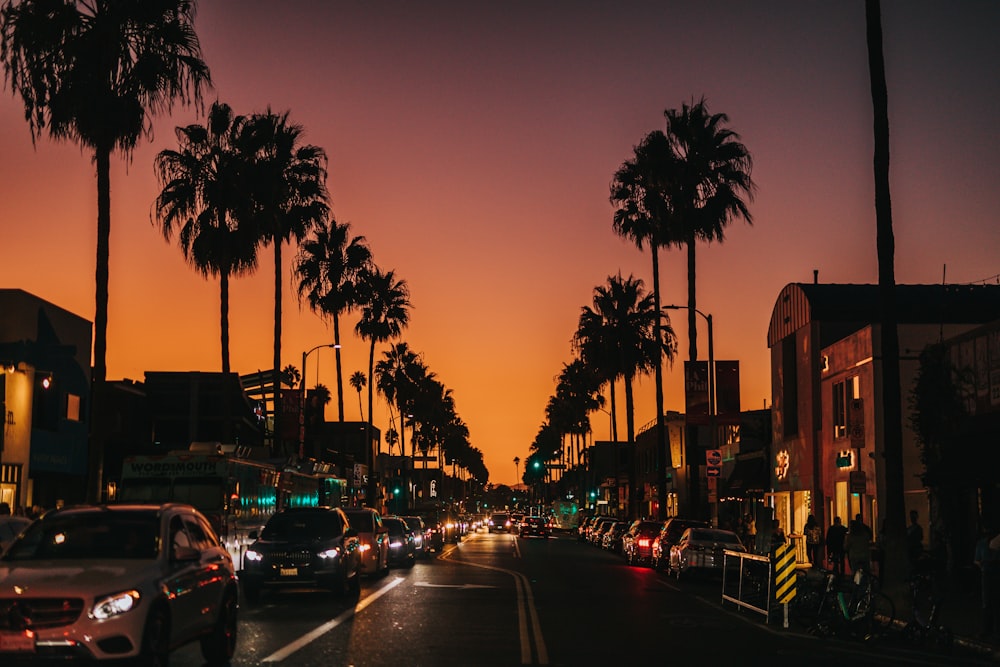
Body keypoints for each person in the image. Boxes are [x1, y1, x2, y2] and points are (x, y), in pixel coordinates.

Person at [974, 524, 999, 639]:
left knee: (988, 601)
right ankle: (992, 629)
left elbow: (977, 560)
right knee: (992, 601)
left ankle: (988, 629)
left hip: (988, 572)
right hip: (990, 572)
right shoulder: (984, 543)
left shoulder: (983, 543)